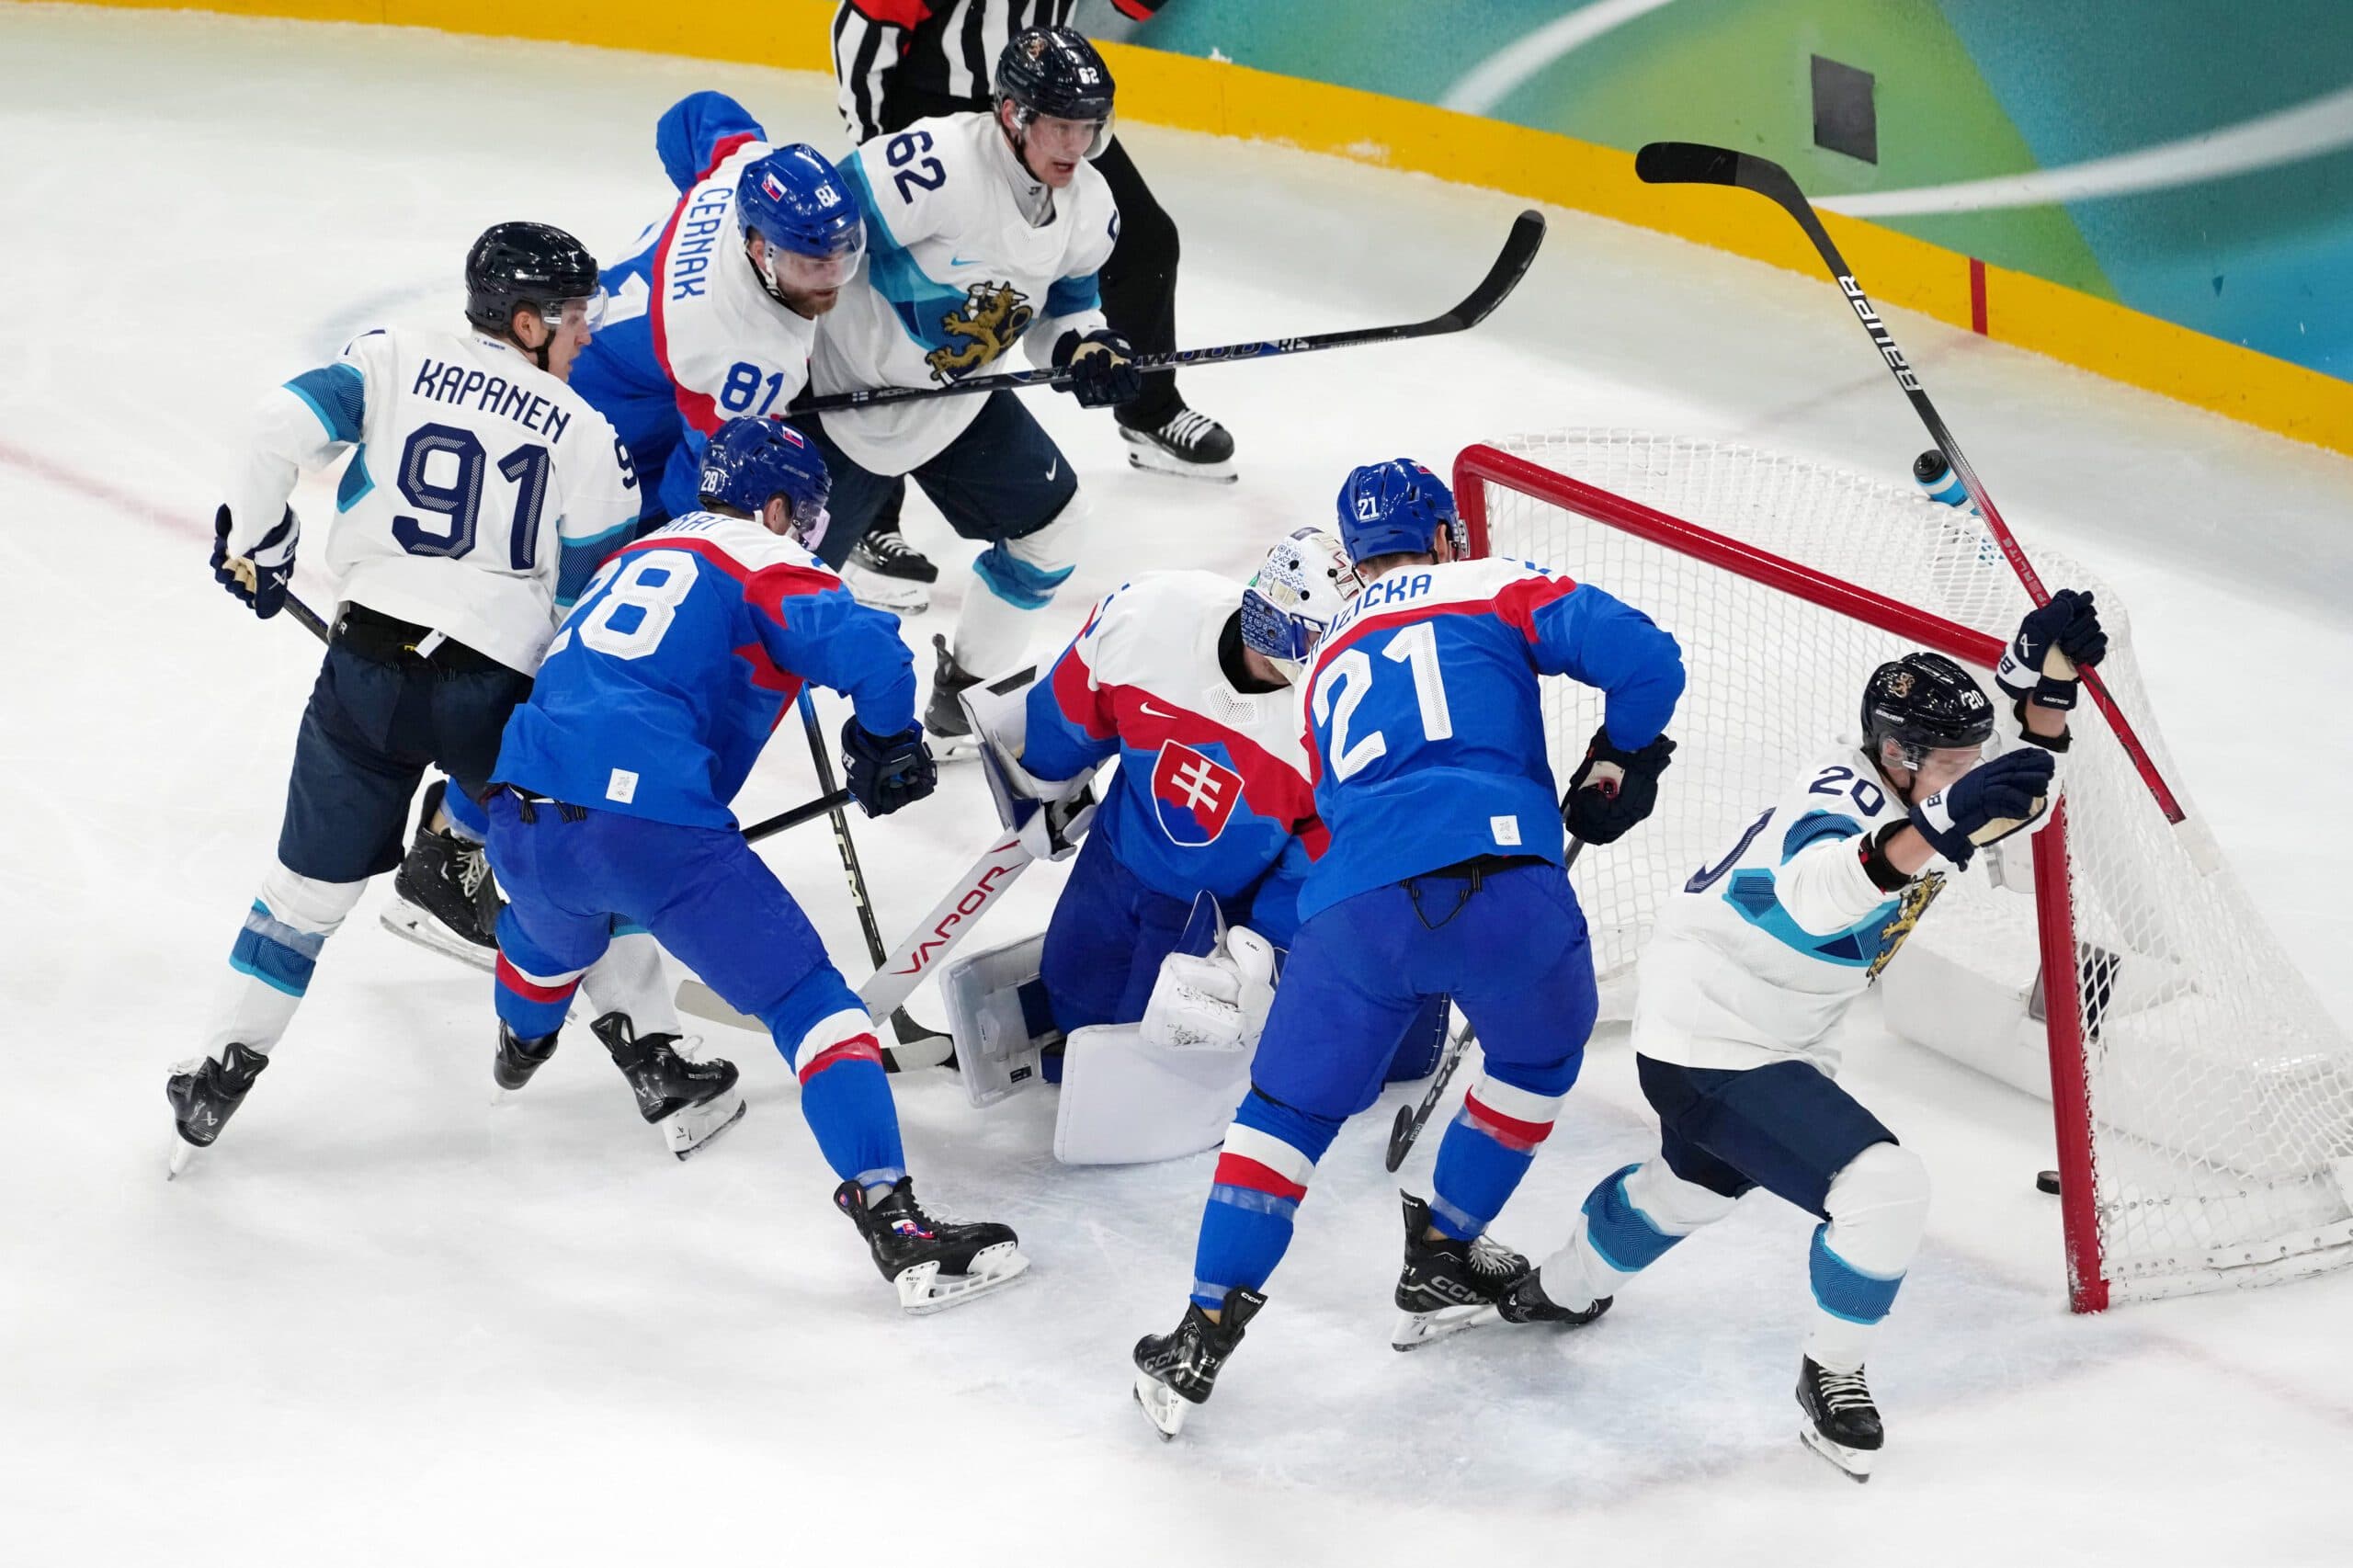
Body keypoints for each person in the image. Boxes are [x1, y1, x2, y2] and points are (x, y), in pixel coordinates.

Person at [1472, 597, 2101, 1481]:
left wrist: (2051, 693)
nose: (1971, 777)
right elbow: (1816, 892)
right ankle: (1831, 1376)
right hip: (1714, 1038)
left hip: (1757, 1032)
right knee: (1882, 1188)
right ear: (1897, 754)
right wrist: (1937, 825)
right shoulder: (1841, 796)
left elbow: (2011, 802)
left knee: (1689, 1190)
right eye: (1956, 763)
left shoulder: (1926, 791)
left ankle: (1558, 1289)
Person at [1130, 460, 1686, 1437]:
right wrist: (1620, 757)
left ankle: (1199, 1329)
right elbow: (1648, 660)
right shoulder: (1494, 580)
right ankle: (1443, 1247)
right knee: (1538, 1055)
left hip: (1354, 910)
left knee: (1283, 1115)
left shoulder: (1326, 653)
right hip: (1507, 885)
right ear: (1443, 535)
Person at [167, 222, 705, 1173]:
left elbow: (270, 429)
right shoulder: (584, 432)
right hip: (489, 692)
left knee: (301, 897)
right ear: (531, 322)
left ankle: (219, 1071)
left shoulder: (392, 357)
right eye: (577, 317)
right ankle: (652, 1052)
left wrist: (260, 543)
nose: (589, 334)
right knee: (570, 864)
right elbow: (588, 608)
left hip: (362, 672)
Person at [483, 415, 1029, 1311]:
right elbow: (875, 655)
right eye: (806, 514)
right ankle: (894, 1219)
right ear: (775, 506)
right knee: (811, 1004)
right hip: (648, 827)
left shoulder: (634, 557)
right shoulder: (762, 556)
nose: (813, 532)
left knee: (547, 941)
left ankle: (521, 1040)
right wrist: (887, 740)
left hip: (519, 816)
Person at [956, 526, 1397, 1164]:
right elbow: (1074, 705)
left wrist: (1261, 951)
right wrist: (1042, 779)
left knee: (1141, 1056)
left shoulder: (1337, 717)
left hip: (1210, 909)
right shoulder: (1153, 617)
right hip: (1117, 857)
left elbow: (1316, 855)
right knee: (1071, 995)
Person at [806, 24, 1144, 746]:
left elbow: (1068, 305)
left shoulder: (1091, 205)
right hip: (839, 401)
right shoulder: (937, 163)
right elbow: (810, 230)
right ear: (1014, 114)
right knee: (765, 599)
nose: (1075, 146)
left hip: (955, 404)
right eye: (1060, 126)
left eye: (1088, 128)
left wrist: (1087, 345)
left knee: (1055, 528)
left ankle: (963, 694)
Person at [828, 0, 1232, 504]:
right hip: (938, 103)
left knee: (1145, 245)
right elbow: (864, 24)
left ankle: (1147, 408)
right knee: (898, 289)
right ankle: (875, 511)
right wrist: (874, 137)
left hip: (1049, 109)